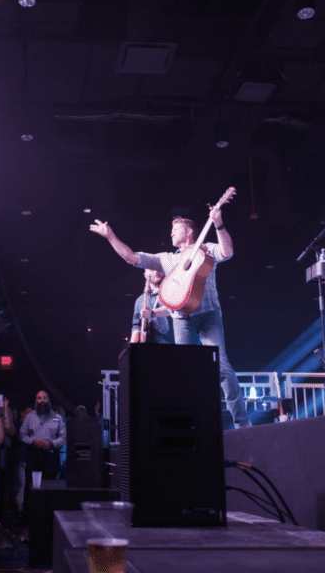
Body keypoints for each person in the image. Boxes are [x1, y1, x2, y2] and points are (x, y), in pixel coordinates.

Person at [89, 197, 250, 428]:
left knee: (222, 367)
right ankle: (189, 423)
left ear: (189, 232)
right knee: (184, 369)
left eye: (176, 230)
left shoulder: (205, 249)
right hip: (181, 318)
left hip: (208, 316)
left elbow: (227, 251)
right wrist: (110, 236)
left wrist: (219, 225)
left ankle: (242, 424)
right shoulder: (166, 259)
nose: (171, 234)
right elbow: (132, 258)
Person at [20, 391, 65, 501]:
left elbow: (63, 438)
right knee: (30, 488)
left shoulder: (58, 418)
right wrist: (33, 441)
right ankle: (29, 516)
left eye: (44, 398)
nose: (42, 400)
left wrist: (51, 443)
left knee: (50, 489)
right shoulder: (29, 417)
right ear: (36, 401)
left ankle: (49, 517)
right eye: (39, 398)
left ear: (48, 400)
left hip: (51, 457)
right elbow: (22, 435)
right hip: (33, 456)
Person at [130, 269, 174, 344]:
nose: (156, 271)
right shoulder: (140, 300)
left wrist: (152, 313)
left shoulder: (173, 292)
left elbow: (175, 309)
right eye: (151, 269)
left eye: (158, 267)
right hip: (149, 349)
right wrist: (133, 344)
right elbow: (136, 325)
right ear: (145, 275)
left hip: (173, 347)